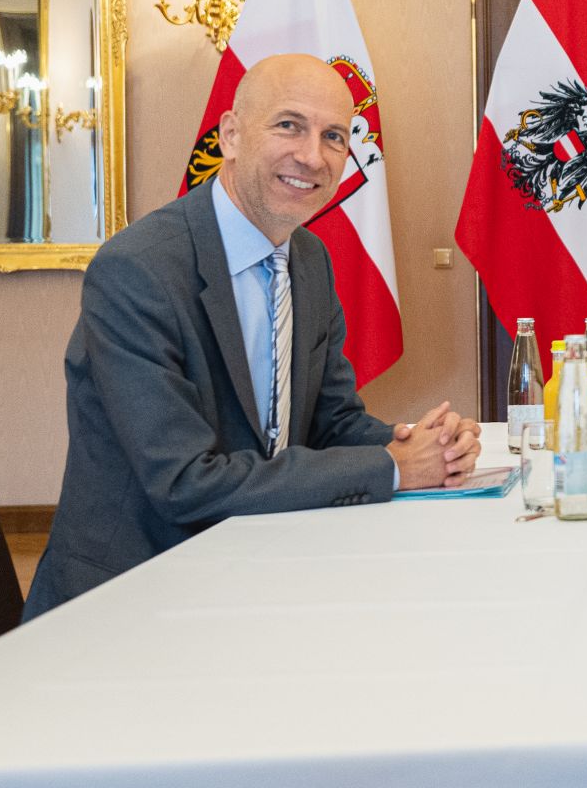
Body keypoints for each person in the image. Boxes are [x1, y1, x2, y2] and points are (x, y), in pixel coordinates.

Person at [24, 55, 482, 620]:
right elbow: (186, 482)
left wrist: (418, 443)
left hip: (256, 574)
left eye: (334, 136)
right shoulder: (136, 272)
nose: (312, 156)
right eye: (289, 125)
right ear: (232, 136)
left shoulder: (309, 260)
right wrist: (392, 467)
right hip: (130, 601)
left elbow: (330, 423)